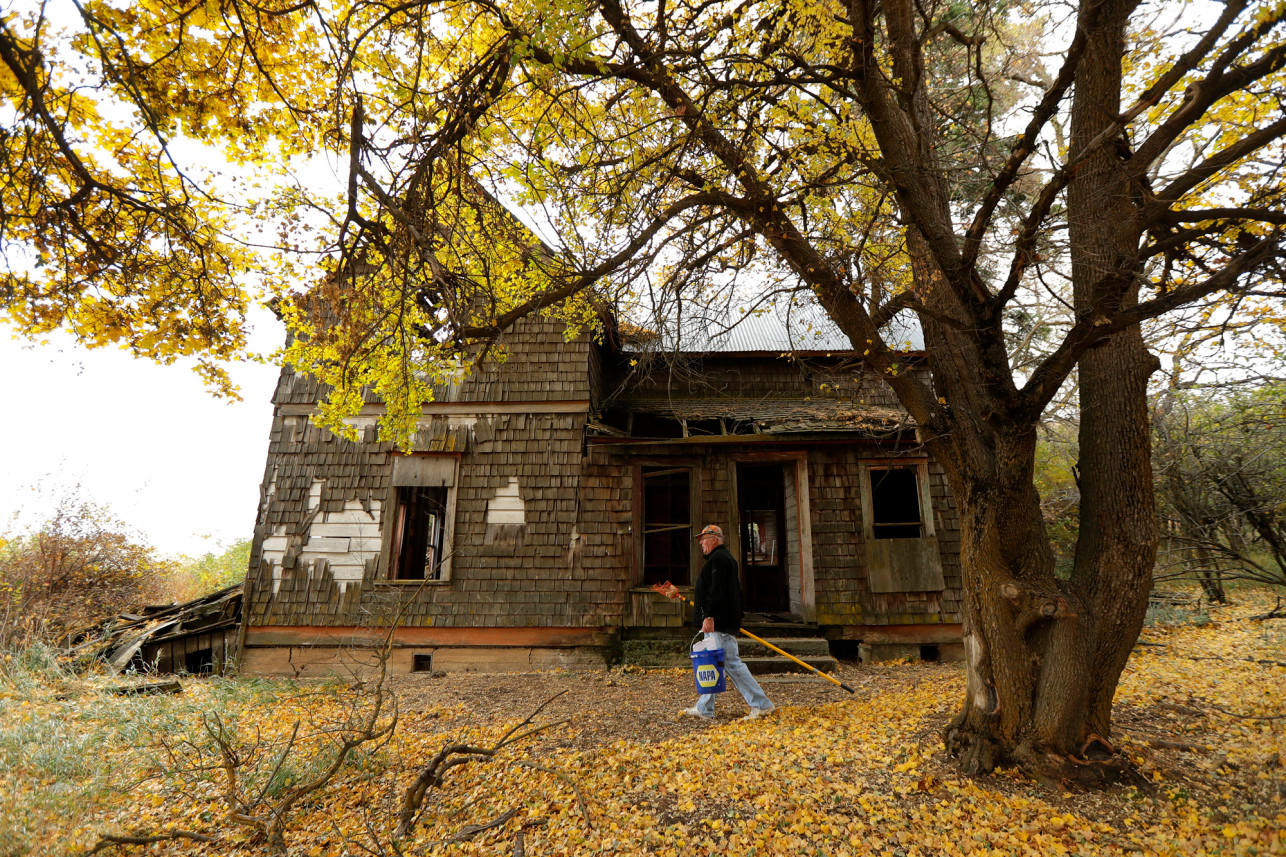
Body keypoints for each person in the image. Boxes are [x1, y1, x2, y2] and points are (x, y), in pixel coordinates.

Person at [681, 524, 776, 720]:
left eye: (703, 539)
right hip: (720, 621)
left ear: (714, 539)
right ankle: (705, 708)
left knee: (731, 664)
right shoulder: (722, 559)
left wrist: (709, 616)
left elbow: (717, 591)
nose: (701, 543)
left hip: (719, 622)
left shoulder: (719, 559)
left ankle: (762, 704)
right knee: (712, 663)